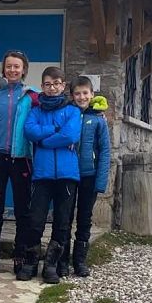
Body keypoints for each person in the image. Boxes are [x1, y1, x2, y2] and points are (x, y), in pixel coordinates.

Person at [18, 66, 82, 284]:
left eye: (56, 83)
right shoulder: (36, 110)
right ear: (42, 86)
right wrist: (55, 131)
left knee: (62, 223)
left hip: (67, 175)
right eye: (47, 84)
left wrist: (44, 140)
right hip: (42, 174)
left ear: (63, 85)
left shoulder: (73, 111)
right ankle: (30, 262)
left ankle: (52, 265)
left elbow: (71, 134)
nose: (52, 88)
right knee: (35, 220)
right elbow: (29, 131)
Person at [0, 50, 39, 274]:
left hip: (22, 159)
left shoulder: (33, 96)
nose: (12, 70)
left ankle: (20, 253)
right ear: (3, 69)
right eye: (8, 66)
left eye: (17, 66)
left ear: (24, 70)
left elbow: (56, 107)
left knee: (22, 209)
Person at [58, 77, 111, 278]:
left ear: (92, 95)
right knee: (65, 218)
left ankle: (79, 261)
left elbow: (105, 151)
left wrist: (101, 181)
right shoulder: (67, 115)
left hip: (89, 175)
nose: (81, 97)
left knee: (84, 218)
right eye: (77, 93)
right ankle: (62, 260)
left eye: (85, 93)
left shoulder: (98, 120)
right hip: (68, 174)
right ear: (72, 96)